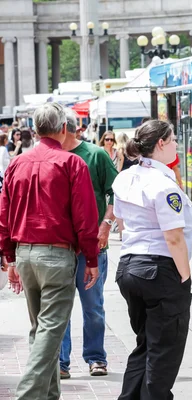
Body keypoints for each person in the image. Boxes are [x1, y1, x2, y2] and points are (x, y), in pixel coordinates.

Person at [0, 102, 100, 400]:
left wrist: (9, 257)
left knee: (42, 330)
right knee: (48, 330)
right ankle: (29, 395)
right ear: (64, 128)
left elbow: (4, 213)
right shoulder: (71, 163)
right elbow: (85, 217)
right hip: (56, 254)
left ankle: (48, 395)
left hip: (26, 254)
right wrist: (92, 257)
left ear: (34, 129)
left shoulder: (17, 163)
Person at [112, 120, 192, 399]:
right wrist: (184, 277)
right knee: (164, 352)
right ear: (161, 143)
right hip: (159, 269)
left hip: (130, 267)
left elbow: (122, 225)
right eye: (173, 140)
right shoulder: (162, 184)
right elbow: (173, 238)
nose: (176, 146)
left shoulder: (126, 177)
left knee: (146, 344)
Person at [59, 108, 119, 379]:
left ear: (63, 129)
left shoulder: (95, 155)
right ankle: (61, 362)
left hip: (91, 247)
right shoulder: (52, 156)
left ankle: (96, 357)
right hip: (60, 248)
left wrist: (106, 225)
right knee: (60, 307)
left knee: (92, 305)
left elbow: (117, 192)